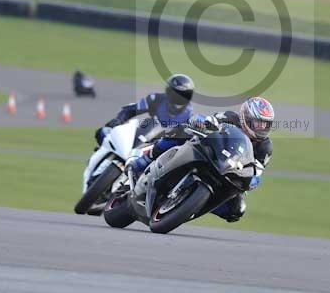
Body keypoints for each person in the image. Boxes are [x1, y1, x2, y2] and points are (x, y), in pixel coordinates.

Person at [128, 96, 275, 223]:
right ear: (245, 117)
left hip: (229, 171)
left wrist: (252, 181)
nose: (261, 127)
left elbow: (256, 171)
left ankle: (192, 206)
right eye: (258, 123)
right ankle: (147, 158)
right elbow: (212, 121)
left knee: (237, 210)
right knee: (182, 130)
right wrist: (202, 121)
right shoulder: (230, 117)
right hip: (210, 152)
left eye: (265, 124)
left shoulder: (265, 147)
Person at [93, 73, 195, 146]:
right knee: (103, 132)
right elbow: (131, 109)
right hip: (141, 135)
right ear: (168, 92)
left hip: (160, 147)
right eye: (175, 94)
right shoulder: (156, 99)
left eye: (183, 95)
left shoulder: (189, 115)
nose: (178, 99)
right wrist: (119, 120)